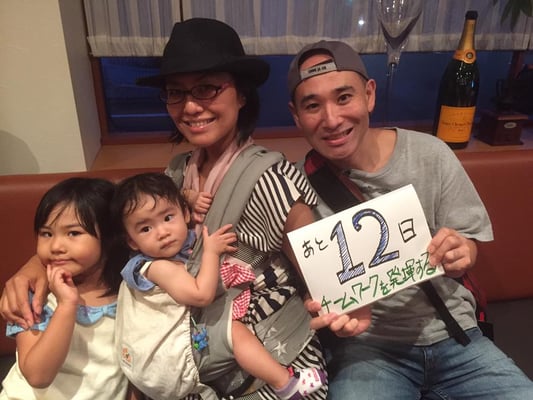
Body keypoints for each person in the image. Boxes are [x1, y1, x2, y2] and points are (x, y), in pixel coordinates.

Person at [0, 19, 371, 400]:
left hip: (268, 365)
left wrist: (349, 308)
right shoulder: (176, 173)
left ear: (242, 94)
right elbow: (102, 226)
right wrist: (34, 268)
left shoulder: (272, 178)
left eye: (207, 88)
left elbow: (325, 271)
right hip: (192, 363)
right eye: (176, 93)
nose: (191, 106)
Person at [287, 39, 533, 399]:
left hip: (454, 334)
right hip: (367, 350)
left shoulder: (430, 153)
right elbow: (306, 283)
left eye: (344, 97)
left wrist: (462, 251)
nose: (332, 119)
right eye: (312, 105)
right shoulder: (292, 189)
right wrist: (328, 309)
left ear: (369, 95)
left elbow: (468, 242)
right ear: (296, 116)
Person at [112, 172, 326, 400]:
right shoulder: (157, 267)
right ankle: (285, 384)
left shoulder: (174, 251)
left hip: (167, 356)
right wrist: (211, 253)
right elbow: (201, 295)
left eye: (167, 218)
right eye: (145, 229)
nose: (162, 232)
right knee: (235, 331)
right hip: (170, 358)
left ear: (185, 213)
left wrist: (191, 198)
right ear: (132, 241)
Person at [0, 177, 139, 400]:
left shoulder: (131, 292)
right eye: (46, 233)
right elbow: (37, 375)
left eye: (73, 233)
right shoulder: (36, 296)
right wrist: (66, 305)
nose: (56, 246)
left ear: (110, 236)